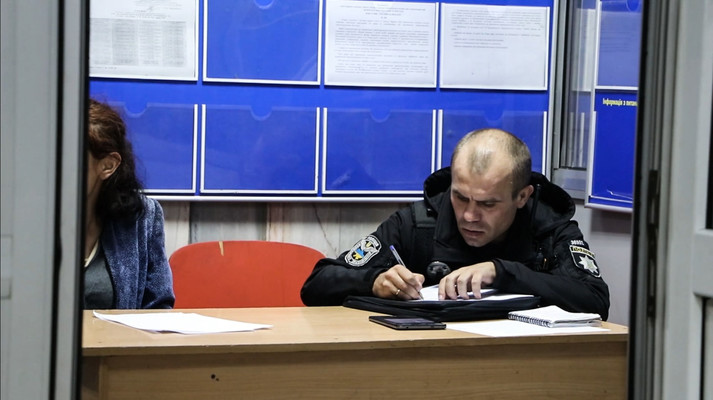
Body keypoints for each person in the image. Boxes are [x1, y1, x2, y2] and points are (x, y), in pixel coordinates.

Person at [301, 128, 610, 319]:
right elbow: (317, 284)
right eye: (460, 197)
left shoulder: (549, 226)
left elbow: (596, 300)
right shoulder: (418, 222)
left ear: (522, 196)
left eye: (487, 204)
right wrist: (374, 281)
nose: (469, 215)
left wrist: (501, 272)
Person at [83, 98, 175, 309]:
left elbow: (158, 307)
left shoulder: (143, 218)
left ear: (108, 165)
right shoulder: (28, 216)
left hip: (113, 333)